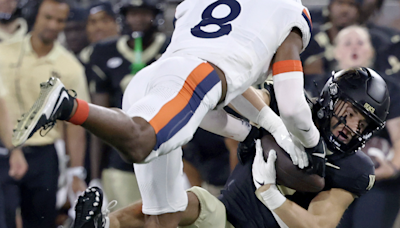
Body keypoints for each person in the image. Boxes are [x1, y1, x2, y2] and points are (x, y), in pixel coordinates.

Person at [12, 0, 324, 227]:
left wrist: (265, 127)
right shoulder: (289, 11)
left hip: (160, 76)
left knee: (164, 213)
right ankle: (67, 105)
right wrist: (311, 146)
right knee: (140, 143)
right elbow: (295, 106)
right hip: (196, 78)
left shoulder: (197, 6)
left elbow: (214, 99)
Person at [73, 67, 390, 228]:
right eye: (349, 113)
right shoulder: (289, 108)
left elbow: (318, 225)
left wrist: (270, 193)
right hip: (227, 216)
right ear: (331, 98)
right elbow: (241, 93)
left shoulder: (355, 168)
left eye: (362, 124)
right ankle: (103, 224)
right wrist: (265, 116)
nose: (351, 127)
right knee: (181, 203)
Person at [0, 0, 90, 227]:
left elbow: (75, 123)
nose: (53, 25)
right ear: (34, 16)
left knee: (41, 222)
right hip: (3, 150)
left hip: (44, 155)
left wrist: (76, 172)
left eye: (59, 20)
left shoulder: (71, 67)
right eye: (47, 17)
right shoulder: (4, 52)